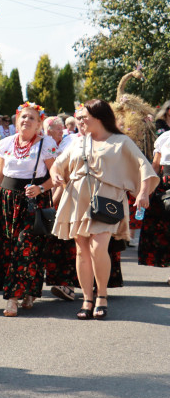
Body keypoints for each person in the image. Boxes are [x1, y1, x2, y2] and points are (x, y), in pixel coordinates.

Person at [51, 100, 158, 319]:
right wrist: (56, 175)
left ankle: (102, 296)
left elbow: (143, 166)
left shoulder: (121, 141)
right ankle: (87, 299)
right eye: (78, 117)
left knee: (98, 248)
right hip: (77, 199)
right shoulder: (79, 142)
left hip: (107, 201)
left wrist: (143, 192)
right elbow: (57, 164)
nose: (80, 120)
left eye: (84, 116)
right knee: (82, 249)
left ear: (98, 117)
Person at [0, 103, 58, 317]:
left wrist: (40, 188)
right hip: (6, 202)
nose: (26, 120)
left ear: (39, 124)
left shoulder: (46, 143)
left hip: (32, 202)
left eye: (31, 118)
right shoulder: (7, 143)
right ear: (17, 120)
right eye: (23, 117)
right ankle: (27, 291)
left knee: (25, 248)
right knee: (8, 250)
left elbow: (55, 177)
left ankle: (13, 299)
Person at [42, 116, 78, 301]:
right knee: (59, 243)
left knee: (68, 242)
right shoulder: (49, 145)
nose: (50, 134)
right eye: (48, 131)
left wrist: (51, 203)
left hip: (71, 198)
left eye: (54, 130)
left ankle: (70, 285)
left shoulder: (69, 143)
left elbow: (62, 179)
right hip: (59, 198)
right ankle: (63, 283)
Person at [137, 127, 170, 284]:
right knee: (165, 229)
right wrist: (145, 191)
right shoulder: (165, 137)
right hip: (165, 187)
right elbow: (155, 167)